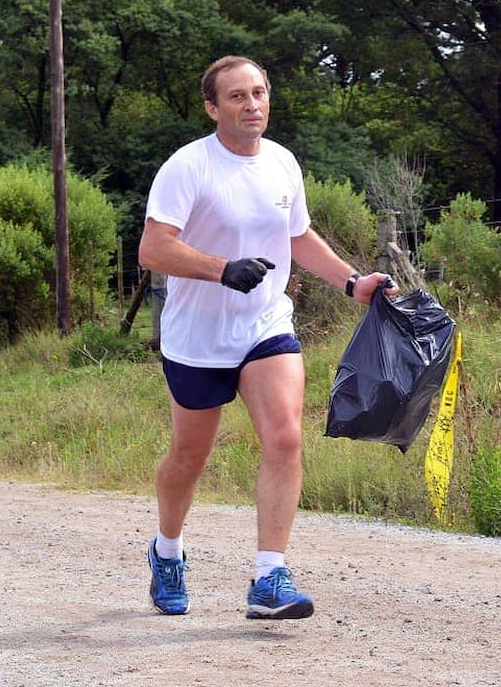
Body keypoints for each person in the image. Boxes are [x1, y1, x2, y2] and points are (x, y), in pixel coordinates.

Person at [138, 55, 395, 620]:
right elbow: (152, 249)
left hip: (264, 324)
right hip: (197, 336)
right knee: (190, 456)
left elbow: (298, 237)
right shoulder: (188, 167)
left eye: (258, 93)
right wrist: (220, 268)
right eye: (237, 96)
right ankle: (167, 551)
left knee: (284, 436)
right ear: (212, 108)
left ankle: (269, 577)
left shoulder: (282, 163)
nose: (252, 104)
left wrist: (352, 282)